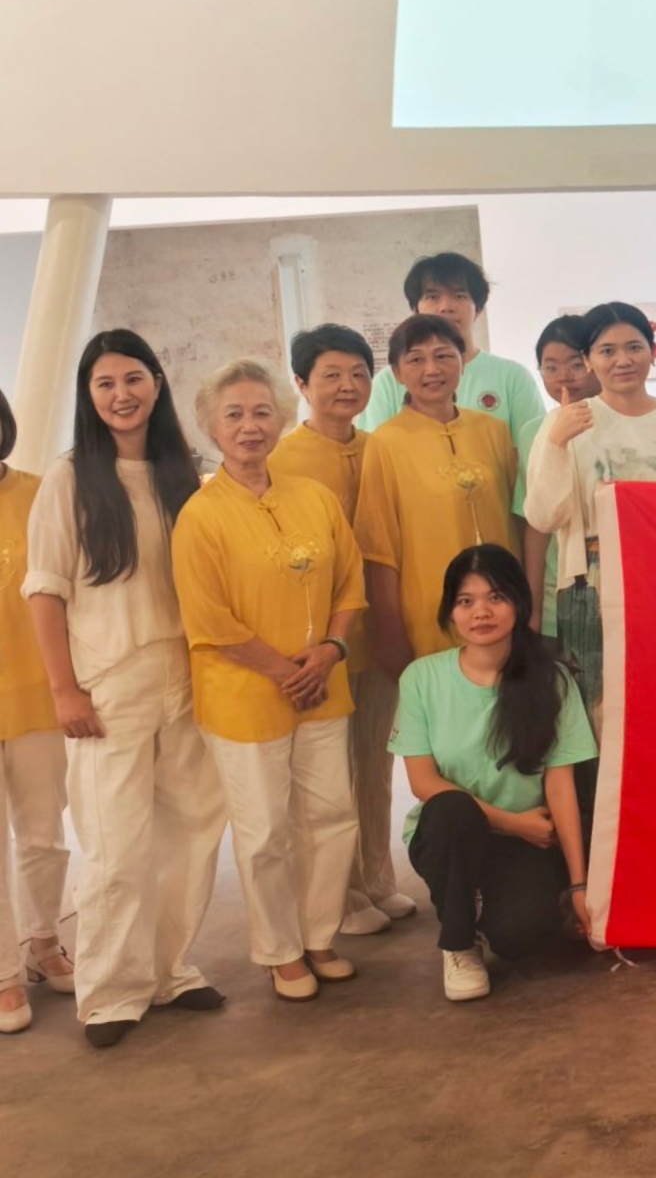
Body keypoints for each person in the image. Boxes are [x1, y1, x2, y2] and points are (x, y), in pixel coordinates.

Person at [23, 332, 226, 1048]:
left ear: (158, 383)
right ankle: (111, 993)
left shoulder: (184, 473)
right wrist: (64, 690)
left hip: (188, 677)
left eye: (134, 378)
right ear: (88, 395)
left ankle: (171, 970)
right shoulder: (69, 477)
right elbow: (44, 591)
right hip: (109, 686)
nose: (121, 395)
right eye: (104, 383)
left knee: (192, 833)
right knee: (115, 847)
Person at [172, 360, 365, 1002]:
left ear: (282, 418)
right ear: (211, 426)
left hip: (323, 685)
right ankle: (280, 952)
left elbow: (350, 584)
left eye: (261, 412)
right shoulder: (200, 515)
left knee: (332, 815)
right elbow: (208, 618)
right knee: (264, 832)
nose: (249, 426)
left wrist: (330, 651)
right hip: (245, 696)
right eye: (234, 414)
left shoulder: (315, 497)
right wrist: (286, 671)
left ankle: (319, 935)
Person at [391, 546, 597, 1002]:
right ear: (450, 611)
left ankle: (488, 907)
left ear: (519, 603)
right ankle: (459, 942)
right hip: (450, 833)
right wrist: (513, 823)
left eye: (495, 597)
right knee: (451, 809)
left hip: (526, 843)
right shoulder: (421, 679)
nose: (480, 612)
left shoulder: (552, 681)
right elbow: (423, 783)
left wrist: (580, 885)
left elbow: (560, 784)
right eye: (465, 601)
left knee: (523, 938)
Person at [353, 313, 519, 873]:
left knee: (508, 736)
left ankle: (514, 861)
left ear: (462, 361)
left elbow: (519, 520)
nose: (432, 369)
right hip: (428, 619)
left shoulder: (491, 431)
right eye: (416, 359)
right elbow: (379, 546)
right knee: (449, 747)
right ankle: (454, 865)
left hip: (500, 616)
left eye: (444, 355)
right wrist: (389, 632)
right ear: (397, 372)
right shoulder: (385, 443)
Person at [270, 324, 416, 937]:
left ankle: (376, 877)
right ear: (302, 384)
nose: (347, 385)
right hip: (321, 636)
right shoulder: (281, 461)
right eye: (331, 375)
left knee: (376, 760)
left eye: (358, 373)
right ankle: (342, 895)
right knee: (328, 777)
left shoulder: (380, 445)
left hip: (380, 626)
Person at [525, 301, 656, 724]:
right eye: (607, 350)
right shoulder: (565, 423)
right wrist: (557, 444)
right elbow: (544, 517)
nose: (622, 360)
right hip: (591, 587)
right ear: (588, 360)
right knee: (599, 711)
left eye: (634, 347)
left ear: (653, 352)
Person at [0, 387, 70, 1034]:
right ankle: (2, 974)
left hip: (34, 692)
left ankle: (44, 942)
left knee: (44, 835)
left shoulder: (38, 493)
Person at [358, 253, 545, 446]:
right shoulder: (387, 383)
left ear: (478, 308)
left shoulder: (512, 377)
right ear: (415, 309)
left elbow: (534, 454)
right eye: (432, 297)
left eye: (459, 296)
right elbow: (376, 451)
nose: (446, 307)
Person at [525, 314, 601, 638]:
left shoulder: (628, 418)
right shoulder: (536, 430)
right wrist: (532, 608)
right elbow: (536, 525)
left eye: (576, 365)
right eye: (551, 368)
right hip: (565, 593)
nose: (563, 378)